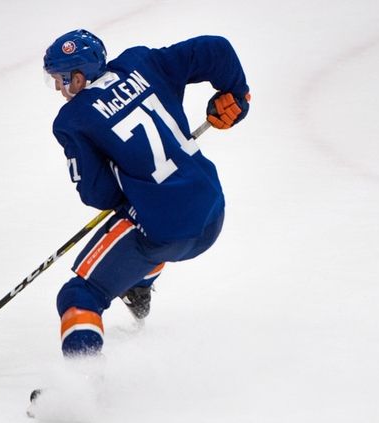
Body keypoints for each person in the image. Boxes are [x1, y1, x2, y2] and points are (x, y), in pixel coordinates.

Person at [43, 30, 250, 357]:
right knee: (144, 222)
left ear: (80, 78)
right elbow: (216, 49)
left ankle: (80, 381)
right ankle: (138, 288)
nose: (58, 88)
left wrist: (130, 188)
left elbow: (100, 194)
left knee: (80, 294)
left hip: (165, 233)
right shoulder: (141, 62)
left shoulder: (72, 120)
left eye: (61, 79)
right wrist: (237, 94)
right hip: (213, 212)